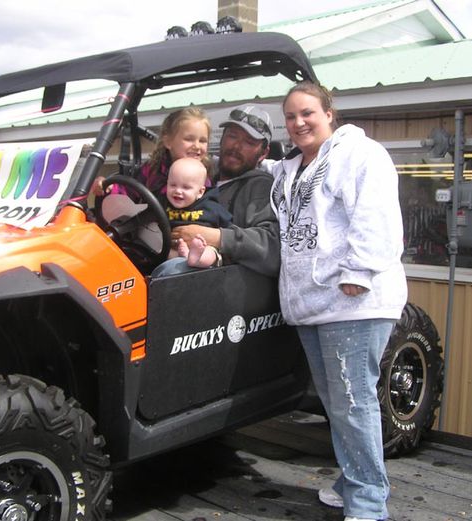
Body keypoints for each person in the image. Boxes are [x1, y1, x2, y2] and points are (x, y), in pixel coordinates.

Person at [269, 81, 407, 521]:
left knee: (352, 401)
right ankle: (353, 480)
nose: (298, 123)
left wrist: (359, 271)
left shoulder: (359, 155)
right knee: (336, 402)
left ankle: (368, 501)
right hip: (313, 304)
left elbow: (376, 212)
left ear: (330, 113)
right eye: (290, 117)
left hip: (354, 300)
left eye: (307, 112)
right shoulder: (293, 169)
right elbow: (266, 170)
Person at [154, 103, 280, 276]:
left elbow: (272, 248)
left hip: (221, 283)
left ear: (264, 153)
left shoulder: (260, 187)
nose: (236, 146)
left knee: (172, 270)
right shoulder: (196, 175)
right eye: (232, 136)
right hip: (166, 253)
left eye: (249, 142)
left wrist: (217, 237)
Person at [92, 106, 211, 198]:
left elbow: (212, 209)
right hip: (153, 226)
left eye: (203, 141)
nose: (197, 146)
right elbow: (130, 191)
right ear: (168, 142)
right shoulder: (153, 169)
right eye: (189, 139)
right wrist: (109, 187)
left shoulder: (203, 177)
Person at [163, 157, 231, 267]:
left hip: (202, 247)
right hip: (173, 248)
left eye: (186, 187)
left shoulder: (211, 207)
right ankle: (184, 257)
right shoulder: (162, 203)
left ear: (200, 192)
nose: (178, 191)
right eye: (172, 185)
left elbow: (228, 226)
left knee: (211, 252)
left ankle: (196, 258)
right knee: (165, 251)